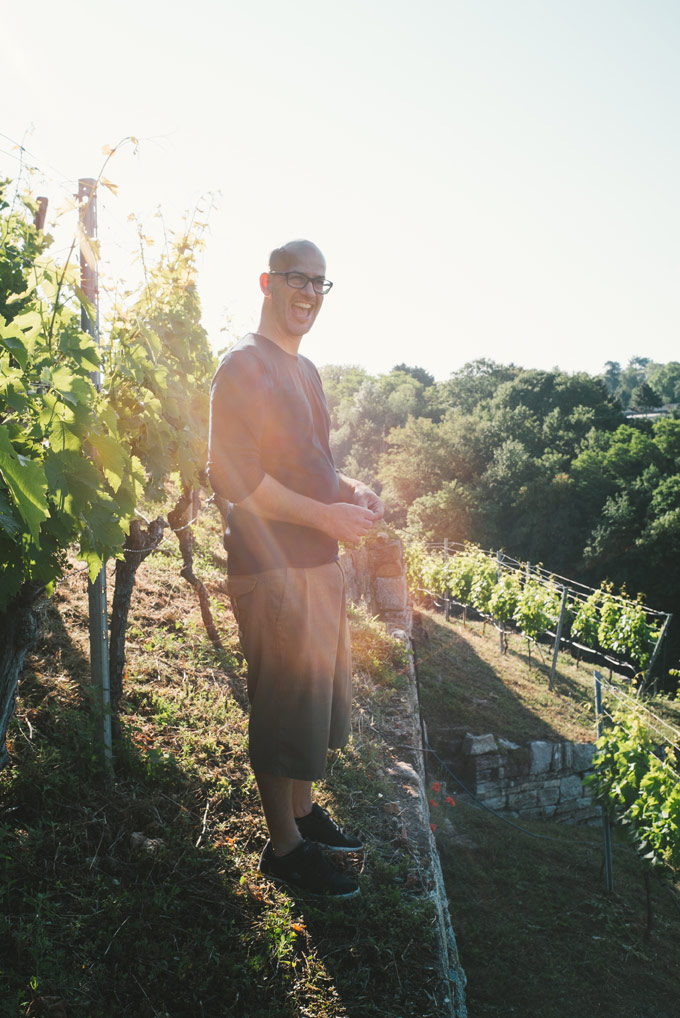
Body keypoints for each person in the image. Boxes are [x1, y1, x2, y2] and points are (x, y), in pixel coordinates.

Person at [208, 239, 384, 899]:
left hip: (317, 565)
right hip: (271, 569)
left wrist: (353, 491)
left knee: (312, 705)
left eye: (319, 283)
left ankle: (305, 815)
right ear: (267, 282)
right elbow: (237, 481)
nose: (309, 293)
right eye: (296, 279)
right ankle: (283, 848)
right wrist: (327, 519)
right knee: (282, 712)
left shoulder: (305, 373)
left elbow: (314, 465)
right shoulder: (242, 367)